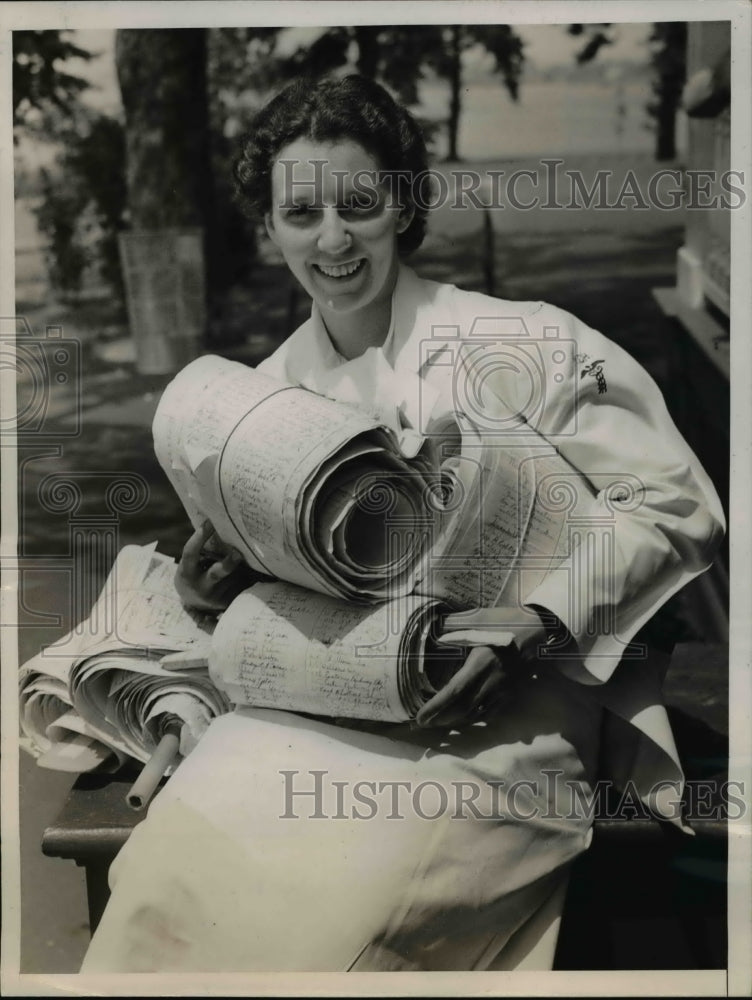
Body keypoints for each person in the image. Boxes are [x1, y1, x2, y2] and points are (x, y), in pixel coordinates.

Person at [81, 75, 725, 973]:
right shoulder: (259, 400)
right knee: (162, 883)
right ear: (269, 227)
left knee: (342, 918)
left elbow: (675, 503)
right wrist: (206, 585)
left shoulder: (524, 339)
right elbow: (261, 588)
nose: (333, 238)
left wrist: (531, 624)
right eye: (300, 213)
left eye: (360, 203)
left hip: (501, 711)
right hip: (312, 711)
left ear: (404, 205)